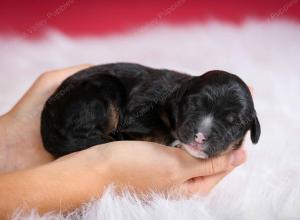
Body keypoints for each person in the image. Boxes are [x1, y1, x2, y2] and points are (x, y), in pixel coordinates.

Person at [0, 65, 246, 219]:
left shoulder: (190, 95)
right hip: (87, 100)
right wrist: (101, 172)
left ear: (250, 131)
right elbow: (136, 122)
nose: (201, 134)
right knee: (100, 97)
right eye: (194, 107)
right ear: (181, 98)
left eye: (230, 122)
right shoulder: (162, 98)